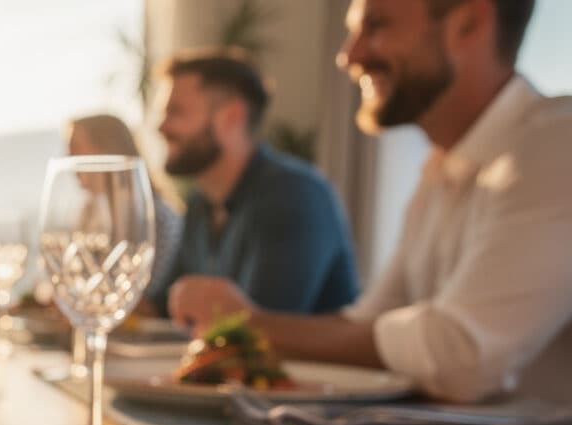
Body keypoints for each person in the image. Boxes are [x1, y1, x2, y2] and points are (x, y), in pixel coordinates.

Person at [169, 0, 570, 403]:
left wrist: (249, 323)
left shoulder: (557, 145)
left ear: (468, 24)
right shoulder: (445, 168)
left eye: (376, 26)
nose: (348, 56)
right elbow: (369, 323)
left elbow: (462, 354)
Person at [149, 49, 359, 317]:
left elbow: (263, 326)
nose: (161, 127)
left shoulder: (293, 195)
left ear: (232, 117)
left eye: (175, 112)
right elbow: (162, 306)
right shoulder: (201, 202)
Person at [66, 114, 183, 307]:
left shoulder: (157, 219)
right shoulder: (91, 215)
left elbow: (152, 303)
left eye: (76, 148)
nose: (69, 159)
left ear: (106, 150)